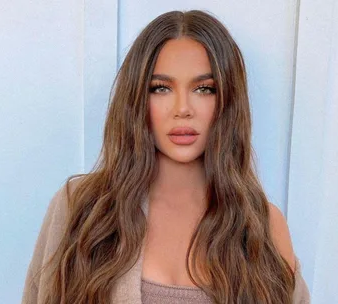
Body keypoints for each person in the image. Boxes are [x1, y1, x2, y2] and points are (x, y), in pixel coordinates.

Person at [21, 9, 310, 304]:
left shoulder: (263, 225)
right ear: (138, 99)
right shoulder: (81, 209)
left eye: (204, 89)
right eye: (161, 88)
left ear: (228, 100)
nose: (182, 108)